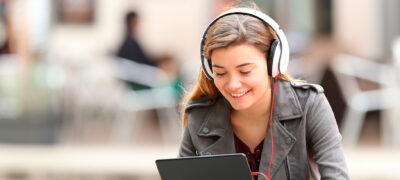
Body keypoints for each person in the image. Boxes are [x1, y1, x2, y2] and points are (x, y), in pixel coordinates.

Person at [178, 7, 349, 180]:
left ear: (272, 64)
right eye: (220, 73)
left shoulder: (310, 105)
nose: (233, 85)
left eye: (245, 71)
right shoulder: (199, 115)